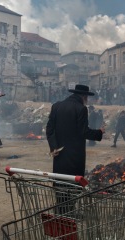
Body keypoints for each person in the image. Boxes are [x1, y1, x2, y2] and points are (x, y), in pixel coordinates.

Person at [46, 84, 105, 214]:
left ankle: (61, 211)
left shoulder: (56, 106)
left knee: (60, 183)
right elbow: (83, 132)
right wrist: (99, 133)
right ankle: (68, 212)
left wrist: (54, 147)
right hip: (74, 156)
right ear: (84, 96)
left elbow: (49, 130)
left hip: (59, 155)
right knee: (73, 184)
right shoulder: (81, 109)